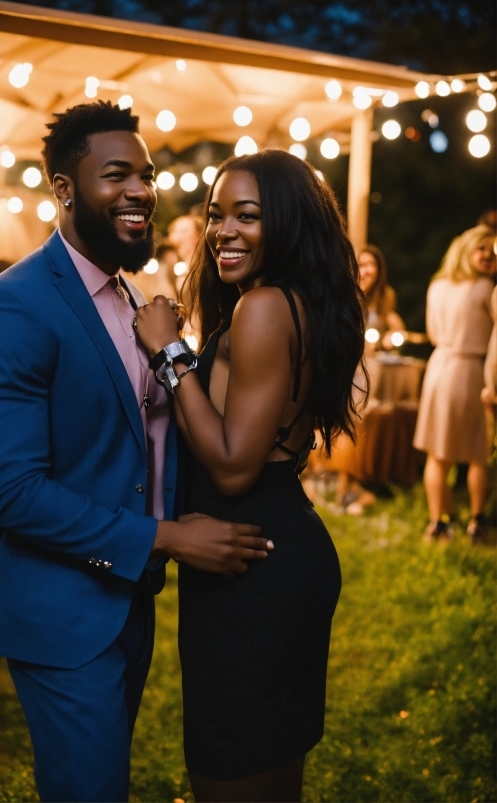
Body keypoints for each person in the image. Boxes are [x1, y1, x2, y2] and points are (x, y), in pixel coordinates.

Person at [0, 101, 272, 803]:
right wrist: (166, 537)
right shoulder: (12, 307)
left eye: (148, 175)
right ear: (64, 189)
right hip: (61, 611)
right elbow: (10, 494)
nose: (141, 190)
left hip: (129, 599)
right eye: (117, 175)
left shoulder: (130, 297)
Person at [136, 149, 366, 802]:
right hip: (282, 546)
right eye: (215, 215)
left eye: (248, 215)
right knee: (272, 772)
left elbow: (235, 465)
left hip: (250, 564)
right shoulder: (296, 302)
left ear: (287, 223)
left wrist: (170, 355)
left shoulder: (263, 307)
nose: (223, 231)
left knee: (231, 771)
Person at [413, 225, 496, 543]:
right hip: (473, 369)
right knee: (478, 453)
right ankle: (477, 522)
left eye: (492, 250)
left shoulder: (437, 286)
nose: (488, 255)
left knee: (438, 452)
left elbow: (433, 333)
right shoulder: (488, 289)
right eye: (482, 248)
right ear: (466, 250)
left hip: (440, 367)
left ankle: (439, 523)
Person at [358, 244, 405, 351]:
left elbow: (394, 322)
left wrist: (392, 333)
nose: (367, 270)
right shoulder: (349, 293)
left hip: (373, 354)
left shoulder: (386, 295)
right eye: (362, 265)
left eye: (372, 264)